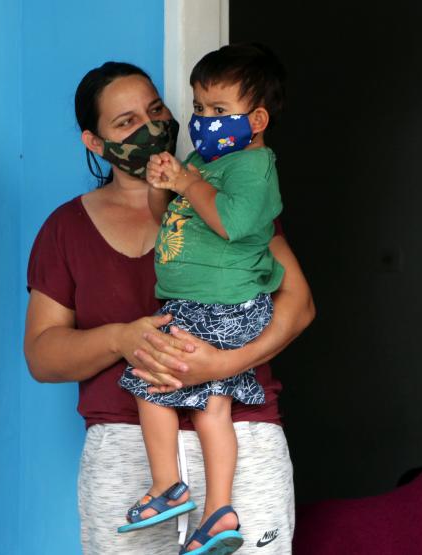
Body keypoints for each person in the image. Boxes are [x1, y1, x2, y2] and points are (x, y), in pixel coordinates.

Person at [23, 60, 314, 554]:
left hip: (240, 436)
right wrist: (120, 339)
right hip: (126, 453)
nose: (151, 127)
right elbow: (42, 355)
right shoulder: (66, 229)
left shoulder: (230, 200)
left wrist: (225, 363)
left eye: (155, 109)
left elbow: (299, 305)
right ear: (95, 142)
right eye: (126, 122)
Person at [116, 44, 288, 555]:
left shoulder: (253, 167)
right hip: (203, 305)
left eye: (218, 110)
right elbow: (161, 213)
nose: (202, 120)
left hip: (223, 306)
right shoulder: (204, 163)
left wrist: (187, 180)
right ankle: (218, 513)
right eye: (198, 107)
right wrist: (161, 182)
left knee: (149, 379)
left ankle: (167, 485)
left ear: (255, 119)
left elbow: (233, 224)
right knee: (214, 407)